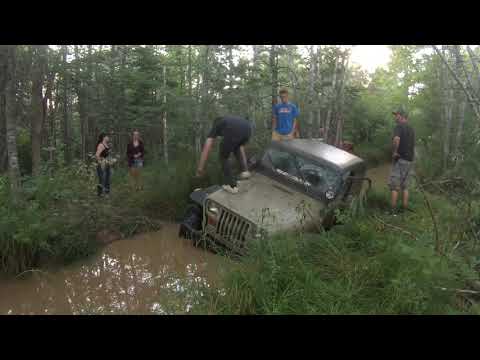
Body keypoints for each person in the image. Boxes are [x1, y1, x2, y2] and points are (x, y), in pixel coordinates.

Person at [196, 116, 252, 194]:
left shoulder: (217, 124)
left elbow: (207, 146)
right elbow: (241, 149)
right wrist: (245, 168)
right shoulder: (227, 120)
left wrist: (200, 168)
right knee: (237, 147)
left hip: (234, 130)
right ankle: (245, 172)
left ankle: (232, 186)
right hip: (248, 129)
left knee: (223, 157)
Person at [388, 108, 415, 215]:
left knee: (394, 186)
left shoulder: (399, 126)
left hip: (399, 159)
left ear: (402, 116)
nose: (395, 117)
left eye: (397, 115)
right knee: (405, 186)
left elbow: (396, 139)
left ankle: (392, 211)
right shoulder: (411, 128)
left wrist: (395, 151)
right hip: (409, 160)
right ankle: (404, 209)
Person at [95, 133, 111, 197]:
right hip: (101, 164)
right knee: (102, 179)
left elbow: (106, 155)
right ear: (104, 137)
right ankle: (100, 193)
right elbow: (97, 155)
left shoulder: (106, 145)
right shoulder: (101, 145)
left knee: (107, 178)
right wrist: (101, 163)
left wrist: (109, 161)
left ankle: (107, 192)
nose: (108, 137)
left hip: (107, 163)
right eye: (107, 136)